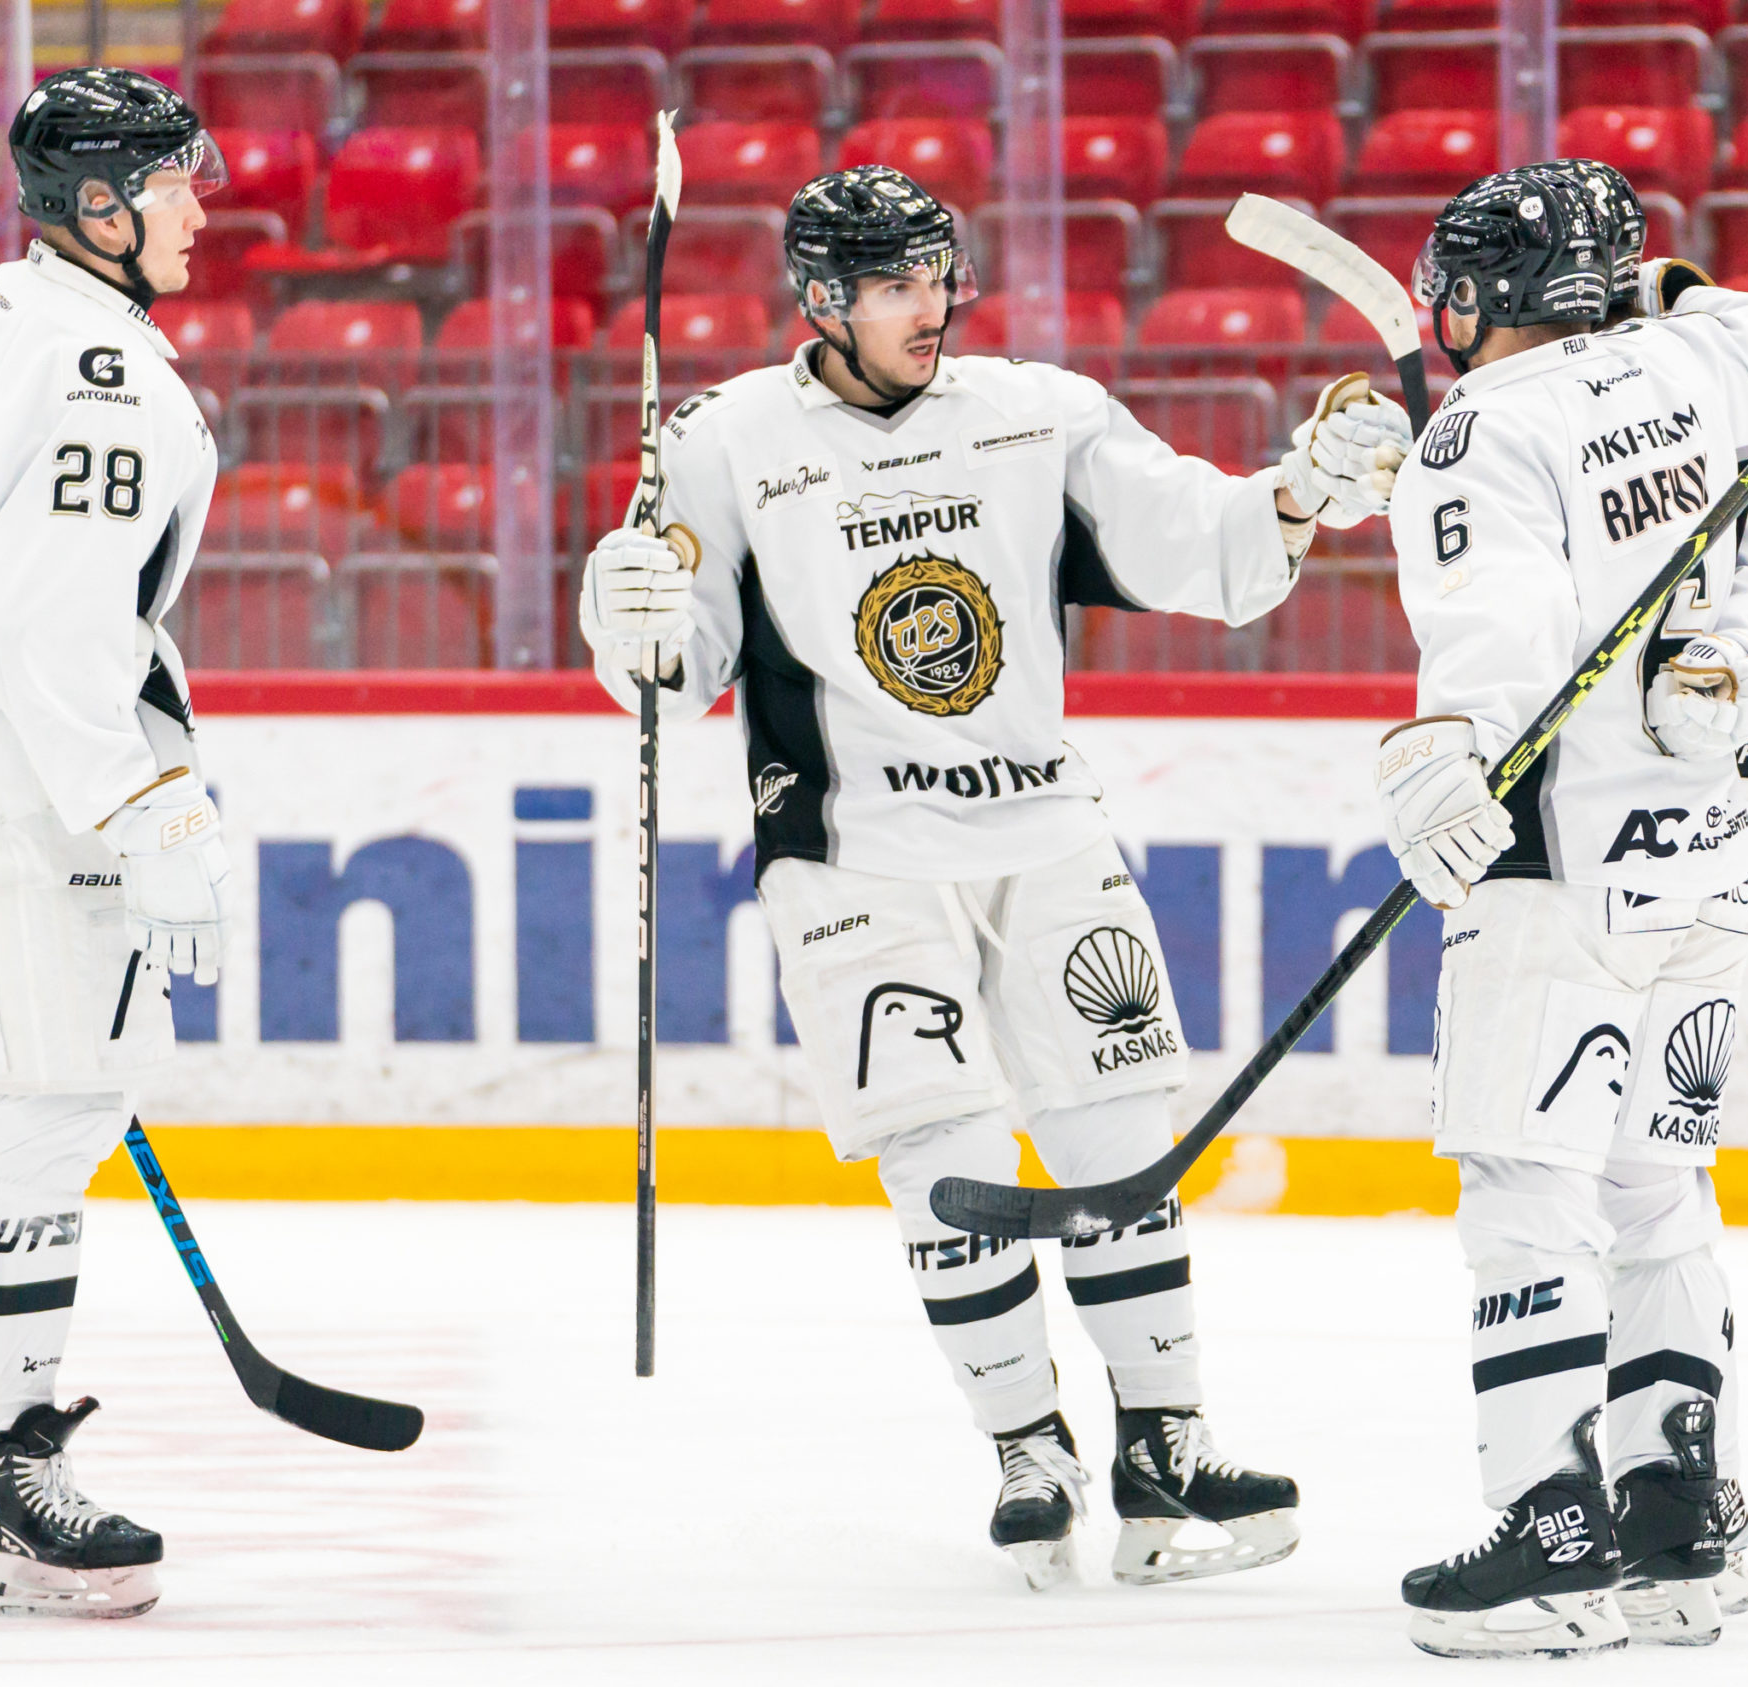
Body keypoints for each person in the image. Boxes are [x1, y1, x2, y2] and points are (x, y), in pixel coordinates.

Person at [577, 164, 1409, 1589]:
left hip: (1045, 837)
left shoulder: (1040, 410)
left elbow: (1199, 549)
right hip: (855, 860)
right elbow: (684, 666)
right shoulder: (725, 439)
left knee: (1120, 1148)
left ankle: (1165, 1441)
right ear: (823, 299)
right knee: (947, 1166)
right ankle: (1029, 1445)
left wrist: (1299, 494)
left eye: (940, 278)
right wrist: (626, 608)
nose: (931, 309)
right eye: (897, 286)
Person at [1368, 162, 1748, 1659]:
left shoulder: (1478, 431)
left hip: (1566, 863)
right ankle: (1681, 1530)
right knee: (1656, 1191)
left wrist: (1451, 746)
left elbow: (1498, 622)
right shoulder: (1710, 356)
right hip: (1721, 846)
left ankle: (1555, 1543)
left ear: (1483, 294)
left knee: (1524, 1188)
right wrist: (1663, 293)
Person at [0, 65, 228, 1619]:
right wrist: (152, 811)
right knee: (54, 1099)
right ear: (100, 205)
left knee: (37, 1108)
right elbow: (60, 624)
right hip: (26, 780)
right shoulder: (101, 375)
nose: (202, 204)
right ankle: (5, 1473)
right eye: (176, 181)